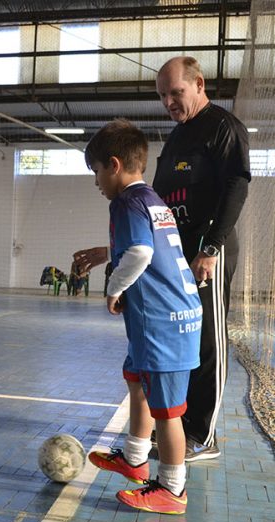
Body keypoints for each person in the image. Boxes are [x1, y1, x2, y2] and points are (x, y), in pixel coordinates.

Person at [75, 57, 250, 462]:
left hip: (207, 249)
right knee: (179, 344)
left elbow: (237, 185)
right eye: (162, 96)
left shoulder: (222, 128)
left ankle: (202, 436)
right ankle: (178, 427)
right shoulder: (177, 138)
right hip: (176, 251)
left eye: (176, 92)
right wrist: (110, 252)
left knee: (206, 339)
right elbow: (153, 215)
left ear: (199, 84)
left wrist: (210, 249)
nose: (169, 101)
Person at [84, 119, 202, 514]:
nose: (97, 182)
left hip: (164, 322)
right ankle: (134, 459)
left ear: (114, 165)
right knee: (137, 382)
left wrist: (114, 287)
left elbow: (140, 253)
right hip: (159, 317)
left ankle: (172, 488)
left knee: (168, 411)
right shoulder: (152, 199)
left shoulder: (127, 203)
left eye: (97, 172)